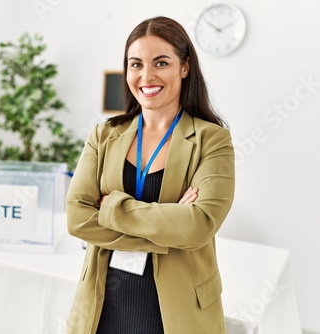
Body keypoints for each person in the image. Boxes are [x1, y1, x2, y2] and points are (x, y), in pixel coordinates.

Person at [66, 16, 235, 334]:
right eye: (136, 64)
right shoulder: (104, 135)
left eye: (161, 62)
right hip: (103, 305)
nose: (147, 75)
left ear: (185, 67)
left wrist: (112, 208)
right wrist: (170, 227)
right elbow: (77, 217)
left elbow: (199, 226)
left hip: (179, 312)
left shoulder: (212, 139)